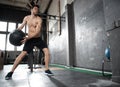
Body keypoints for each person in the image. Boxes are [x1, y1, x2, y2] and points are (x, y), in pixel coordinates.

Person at [5, 5, 53, 80]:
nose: (36, 10)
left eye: (37, 9)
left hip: (37, 39)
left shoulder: (39, 19)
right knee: (22, 55)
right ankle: (11, 72)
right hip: (30, 40)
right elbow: (22, 26)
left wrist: (27, 38)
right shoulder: (26, 18)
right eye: (35, 9)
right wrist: (14, 32)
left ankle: (47, 69)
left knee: (46, 51)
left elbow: (37, 32)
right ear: (31, 10)